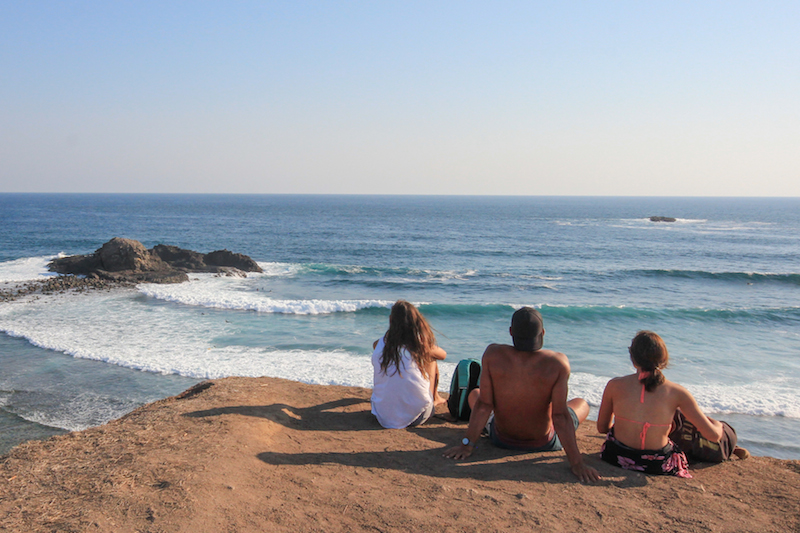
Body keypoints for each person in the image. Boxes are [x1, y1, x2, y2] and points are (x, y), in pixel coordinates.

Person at [444, 307, 601, 482]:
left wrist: (466, 445)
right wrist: (577, 463)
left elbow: (484, 405)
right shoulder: (557, 363)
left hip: (501, 439)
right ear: (542, 332)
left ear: (511, 332)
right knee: (581, 403)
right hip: (543, 442)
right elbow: (560, 416)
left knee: (476, 394)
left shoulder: (493, 354)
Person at [597, 330, 748, 478]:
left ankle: (733, 448)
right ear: (664, 360)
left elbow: (602, 428)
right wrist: (718, 425)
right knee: (684, 421)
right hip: (657, 464)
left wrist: (628, 428)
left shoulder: (614, 385)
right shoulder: (677, 392)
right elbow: (713, 436)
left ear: (632, 358)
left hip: (615, 455)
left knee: (674, 421)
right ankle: (732, 447)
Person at [370, 300, 447, 429]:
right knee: (431, 359)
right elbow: (443, 355)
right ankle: (435, 398)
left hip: (381, 415)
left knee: (391, 365)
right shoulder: (419, 345)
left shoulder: (381, 343)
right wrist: (423, 339)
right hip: (417, 416)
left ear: (390, 320)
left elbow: (375, 346)